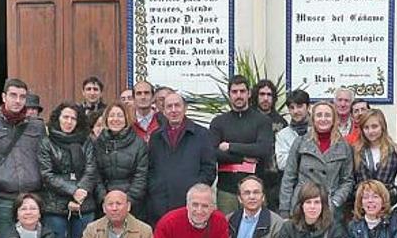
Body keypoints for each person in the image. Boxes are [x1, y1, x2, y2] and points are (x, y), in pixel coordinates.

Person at [38, 101, 97, 238]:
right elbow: (47, 174)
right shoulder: (46, 142)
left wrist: (80, 193)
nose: (69, 122)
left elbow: (91, 169)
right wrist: (73, 191)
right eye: (65, 117)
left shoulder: (87, 142)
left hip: (84, 205)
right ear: (57, 118)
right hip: (56, 207)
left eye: (73, 118)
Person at [0, 78, 45, 238]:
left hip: (33, 196)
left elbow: (45, 156)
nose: (18, 100)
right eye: (13, 95)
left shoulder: (38, 126)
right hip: (4, 197)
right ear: (3, 97)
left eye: (22, 97)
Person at [147, 92, 216, 225]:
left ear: (185, 108)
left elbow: (209, 169)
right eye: (169, 106)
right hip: (160, 205)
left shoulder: (202, 134)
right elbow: (151, 168)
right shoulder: (156, 137)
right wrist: (155, 189)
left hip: (192, 206)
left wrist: (195, 192)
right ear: (164, 111)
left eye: (177, 106)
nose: (173, 110)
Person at [279, 101, 354, 220]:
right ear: (312, 119)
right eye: (319, 115)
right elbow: (288, 177)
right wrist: (284, 209)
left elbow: (347, 181)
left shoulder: (344, 147)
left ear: (334, 119)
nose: (323, 119)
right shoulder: (300, 143)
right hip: (302, 205)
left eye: (327, 115)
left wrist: (335, 202)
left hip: (330, 209)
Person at [210, 75, 274, 214]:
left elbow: (263, 150)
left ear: (249, 93)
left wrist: (231, 147)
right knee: (227, 230)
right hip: (227, 190)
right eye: (234, 92)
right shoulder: (218, 122)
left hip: (255, 189)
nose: (238, 95)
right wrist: (243, 158)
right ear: (229, 94)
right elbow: (213, 153)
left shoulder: (262, 121)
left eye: (242, 91)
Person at [94, 102, 148, 221]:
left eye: (119, 115)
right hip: (105, 204)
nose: (115, 119)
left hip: (132, 205)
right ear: (106, 119)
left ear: (126, 119)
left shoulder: (139, 144)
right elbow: (95, 174)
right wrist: (105, 199)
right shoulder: (98, 143)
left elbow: (141, 176)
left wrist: (127, 201)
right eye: (112, 115)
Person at [352, 108, 397, 205]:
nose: (370, 131)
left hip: (387, 203)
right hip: (362, 204)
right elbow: (350, 179)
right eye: (366, 128)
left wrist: (395, 193)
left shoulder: (396, 151)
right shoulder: (355, 151)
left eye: (374, 126)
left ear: (382, 127)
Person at [251, 79, 287, 211]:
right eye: (262, 94)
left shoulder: (281, 122)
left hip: (275, 178)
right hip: (252, 174)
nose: (265, 98)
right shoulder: (249, 118)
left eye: (269, 95)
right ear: (255, 96)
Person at [275, 89, 310, 169]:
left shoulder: (318, 130)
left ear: (308, 107)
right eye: (292, 108)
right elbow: (282, 164)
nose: (295, 111)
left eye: (299, 106)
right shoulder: (282, 135)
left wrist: (293, 155)